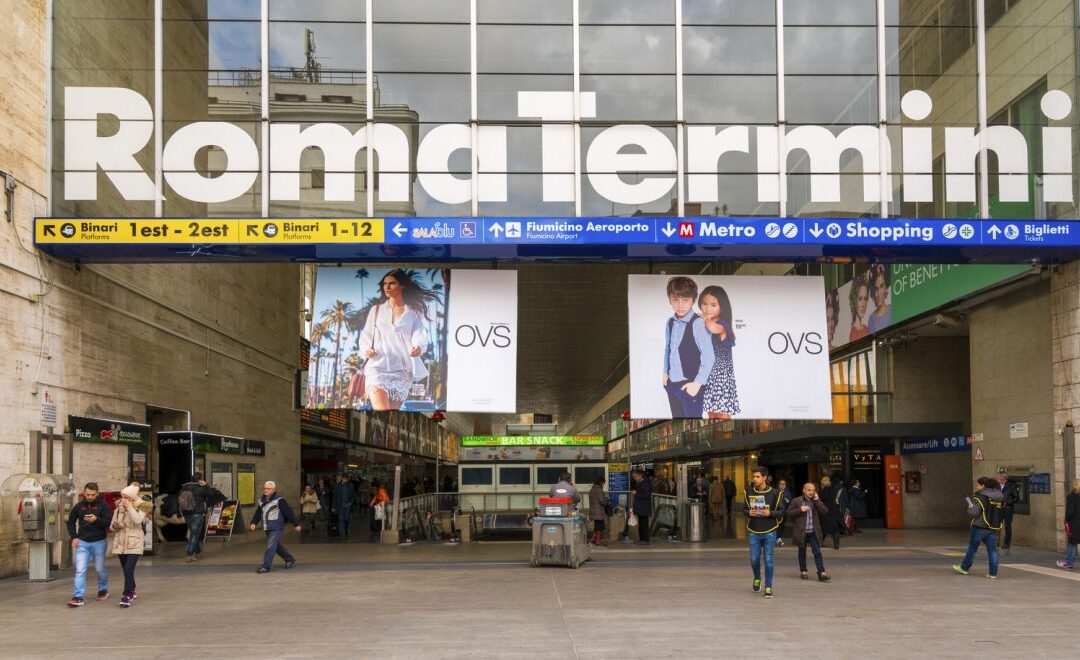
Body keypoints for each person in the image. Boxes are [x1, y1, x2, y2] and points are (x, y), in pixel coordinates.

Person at [359, 269, 440, 411]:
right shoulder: (376, 309)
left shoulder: (414, 312)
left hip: (402, 370)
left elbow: (419, 334)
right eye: (385, 284)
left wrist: (418, 348)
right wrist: (367, 350)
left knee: (391, 414)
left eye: (392, 283)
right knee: (382, 411)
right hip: (377, 366)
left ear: (402, 285)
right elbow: (366, 334)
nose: (387, 287)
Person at [661, 276, 715, 418]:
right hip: (672, 384)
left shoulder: (697, 323)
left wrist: (697, 384)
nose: (680, 305)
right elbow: (668, 348)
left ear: (693, 300)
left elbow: (709, 356)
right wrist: (665, 372)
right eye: (675, 300)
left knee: (693, 424)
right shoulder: (670, 322)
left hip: (690, 384)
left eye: (685, 300)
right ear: (669, 300)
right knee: (677, 421)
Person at [66, 482, 112, 607]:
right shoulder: (79, 506)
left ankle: (103, 590)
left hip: (99, 542)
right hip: (83, 542)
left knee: (99, 569)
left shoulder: (104, 506)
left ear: (97, 493)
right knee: (80, 570)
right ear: (84, 493)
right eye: (87, 494)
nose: (90, 497)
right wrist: (74, 537)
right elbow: (70, 522)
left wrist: (96, 520)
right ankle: (78, 596)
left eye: (92, 494)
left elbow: (108, 523)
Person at [698, 285, 740, 419]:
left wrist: (704, 320)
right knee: (711, 411)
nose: (707, 308)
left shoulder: (722, 324)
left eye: (713, 305)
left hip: (721, 375)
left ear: (722, 307)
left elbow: (712, 328)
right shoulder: (705, 322)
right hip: (709, 373)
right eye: (704, 304)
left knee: (722, 411)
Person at [953, 477, 1005, 579]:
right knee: (992, 550)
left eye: (978, 484)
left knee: (972, 548)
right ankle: (993, 573)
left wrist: (970, 507)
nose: (977, 486)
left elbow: (974, 513)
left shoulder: (980, 496)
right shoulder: (999, 496)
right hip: (993, 526)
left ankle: (964, 568)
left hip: (980, 526)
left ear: (983, 486)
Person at [744, 466, 784, 599]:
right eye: (754, 476)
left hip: (770, 531)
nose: (754, 479)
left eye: (757, 477)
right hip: (754, 530)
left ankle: (768, 586)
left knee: (768, 560)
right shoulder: (749, 492)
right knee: (754, 559)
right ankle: (757, 577)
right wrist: (748, 512)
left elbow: (782, 512)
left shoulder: (775, 493)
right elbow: (744, 509)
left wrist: (770, 513)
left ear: (765, 478)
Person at [249, 481, 301, 573]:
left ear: (273, 490)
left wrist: (295, 524)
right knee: (275, 546)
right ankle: (289, 559)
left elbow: (288, 512)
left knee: (270, 546)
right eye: (264, 488)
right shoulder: (261, 500)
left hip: (277, 526)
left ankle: (265, 566)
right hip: (267, 526)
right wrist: (254, 523)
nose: (265, 490)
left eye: (268, 489)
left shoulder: (279, 499)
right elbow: (258, 512)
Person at [109, 485, 147, 607]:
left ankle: (127, 595)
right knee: (126, 570)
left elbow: (137, 521)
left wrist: (130, 508)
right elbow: (111, 527)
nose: (123, 499)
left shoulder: (142, 507)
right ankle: (133, 589)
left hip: (134, 543)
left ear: (132, 498)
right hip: (120, 543)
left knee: (129, 569)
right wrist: (116, 526)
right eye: (122, 497)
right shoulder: (118, 509)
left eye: (126, 497)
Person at [786, 482, 831, 581]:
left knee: (817, 552)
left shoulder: (816, 501)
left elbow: (825, 511)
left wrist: (817, 500)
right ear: (804, 490)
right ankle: (803, 570)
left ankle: (821, 572)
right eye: (809, 490)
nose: (811, 492)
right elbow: (788, 513)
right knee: (802, 553)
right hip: (802, 532)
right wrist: (799, 510)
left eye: (813, 490)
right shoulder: (796, 501)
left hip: (813, 532)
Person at [179, 472, 214, 562]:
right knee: (194, 534)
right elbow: (211, 494)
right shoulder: (200, 488)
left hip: (187, 514)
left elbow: (179, 500)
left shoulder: (183, 488)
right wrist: (206, 485)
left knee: (194, 534)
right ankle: (189, 553)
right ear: (200, 480)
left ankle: (195, 552)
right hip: (197, 514)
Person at [1057, 479, 1080, 570]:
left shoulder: (1071, 496)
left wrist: (1066, 520)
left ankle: (1068, 563)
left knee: (1071, 543)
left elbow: (1070, 511)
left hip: (1074, 523)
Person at [997, 470, 1019, 549]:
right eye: (998, 477)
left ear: (1004, 478)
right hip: (998, 508)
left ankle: (1006, 543)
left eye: (999, 477)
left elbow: (1016, 498)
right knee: (997, 525)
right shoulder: (997, 486)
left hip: (1008, 509)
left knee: (1007, 526)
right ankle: (996, 541)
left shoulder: (1011, 486)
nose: (998, 478)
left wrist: (1008, 502)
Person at [819, 476, 843, 549]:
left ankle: (820, 543)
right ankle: (836, 545)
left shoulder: (822, 492)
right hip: (834, 512)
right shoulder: (834, 490)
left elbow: (820, 502)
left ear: (822, 484)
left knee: (823, 529)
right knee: (835, 530)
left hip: (825, 513)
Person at [867, 264, 892, 333]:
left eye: (881, 286)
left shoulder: (893, 310)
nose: (878, 294)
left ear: (886, 288)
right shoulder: (871, 319)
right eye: (876, 289)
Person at [631, 470, 653, 545]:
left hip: (644, 507)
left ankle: (645, 540)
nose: (634, 478)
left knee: (644, 524)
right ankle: (641, 539)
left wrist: (636, 493)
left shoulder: (646, 484)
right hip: (640, 507)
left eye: (635, 476)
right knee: (641, 524)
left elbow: (647, 496)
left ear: (640, 476)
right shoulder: (639, 483)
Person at [848, 275, 870, 342]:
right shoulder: (853, 332)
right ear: (854, 300)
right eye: (860, 299)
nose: (863, 304)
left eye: (865, 299)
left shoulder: (866, 329)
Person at [588, 479, 609, 546]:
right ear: (601, 483)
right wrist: (607, 500)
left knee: (597, 526)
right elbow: (602, 501)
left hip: (594, 511)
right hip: (599, 511)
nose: (603, 485)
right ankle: (597, 541)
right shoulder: (599, 490)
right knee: (599, 527)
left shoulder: (592, 489)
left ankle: (595, 539)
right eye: (603, 483)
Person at [333, 474, 354, 540]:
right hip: (340, 505)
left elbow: (353, 495)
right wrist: (333, 506)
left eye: (346, 479)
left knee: (346, 519)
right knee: (341, 518)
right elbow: (334, 496)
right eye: (344, 479)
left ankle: (346, 529)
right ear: (341, 478)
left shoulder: (350, 485)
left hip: (347, 505)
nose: (345, 480)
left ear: (347, 479)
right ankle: (341, 532)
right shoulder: (337, 486)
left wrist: (351, 502)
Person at [776, 479, 792, 547]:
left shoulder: (788, 492)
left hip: (784, 512)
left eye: (784, 484)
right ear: (779, 485)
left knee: (782, 526)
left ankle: (779, 538)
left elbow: (790, 502)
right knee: (776, 525)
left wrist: (788, 501)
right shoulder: (775, 492)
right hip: (776, 512)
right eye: (781, 484)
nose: (783, 485)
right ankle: (776, 538)